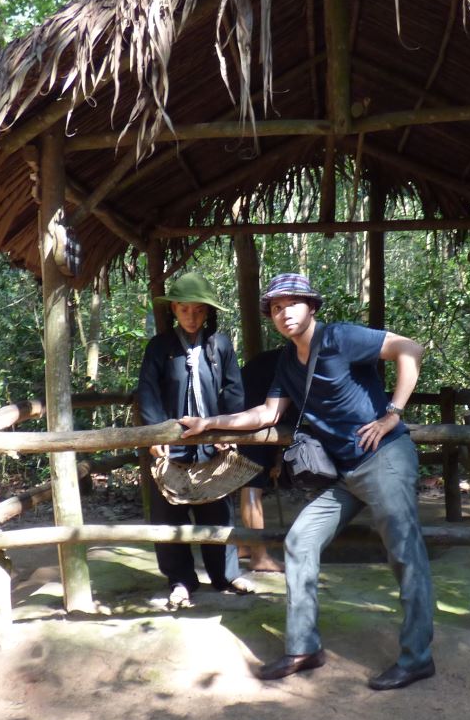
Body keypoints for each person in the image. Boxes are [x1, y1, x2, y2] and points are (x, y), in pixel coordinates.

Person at [178, 273, 435, 690]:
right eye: (276, 308)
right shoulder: (286, 362)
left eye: (291, 304)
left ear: (311, 307)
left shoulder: (340, 338)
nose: (284, 313)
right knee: (300, 540)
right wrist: (210, 422)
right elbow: (265, 415)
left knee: (405, 551)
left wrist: (393, 413)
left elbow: (410, 348)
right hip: (345, 474)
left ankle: (417, 657)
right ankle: (303, 648)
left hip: (385, 459)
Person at [136, 272, 251, 608]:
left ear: (207, 311)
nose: (191, 317)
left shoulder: (221, 345)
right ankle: (180, 580)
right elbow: (147, 391)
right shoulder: (159, 347)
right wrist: (155, 433)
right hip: (170, 445)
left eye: (198, 311)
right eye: (184, 310)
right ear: (174, 309)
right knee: (168, 514)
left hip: (211, 442)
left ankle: (225, 575)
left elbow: (233, 390)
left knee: (218, 510)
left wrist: (228, 433)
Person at [236, 347, 287, 574]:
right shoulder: (294, 361)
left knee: (252, 483)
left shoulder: (280, 358)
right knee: (252, 486)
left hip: (253, 421)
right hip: (247, 423)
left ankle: (244, 545)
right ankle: (259, 556)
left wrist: (277, 457)